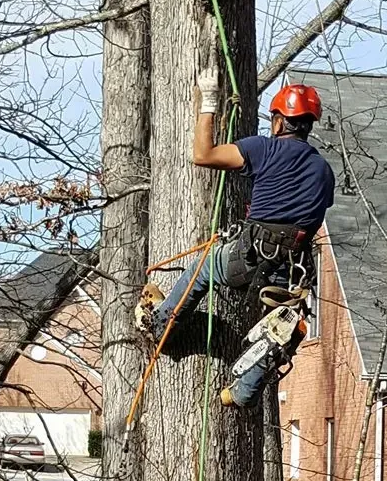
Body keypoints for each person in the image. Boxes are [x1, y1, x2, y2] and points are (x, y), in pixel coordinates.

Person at [137, 68, 335, 344]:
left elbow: (203, 155)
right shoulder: (324, 170)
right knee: (271, 339)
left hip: (251, 257)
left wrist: (207, 102)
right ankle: (244, 387)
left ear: (279, 124)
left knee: (204, 266)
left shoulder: (264, 149)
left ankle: (159, 325)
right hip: (289, 273)